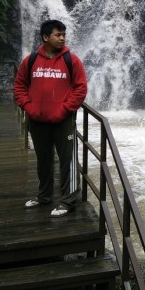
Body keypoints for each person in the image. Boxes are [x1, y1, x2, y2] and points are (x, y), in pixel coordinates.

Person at [14, 19, 88, 217]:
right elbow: (19, 86)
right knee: (43, 160)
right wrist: (28, 107)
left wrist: (64, 109)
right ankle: (44, 196)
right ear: (46, 37)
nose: (62, 38)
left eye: (64, 34)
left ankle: (68, 201)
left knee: (68, 161)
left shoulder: (71, 60)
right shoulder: (30, 61)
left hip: (63, 121)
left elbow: (80, 89)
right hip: (37, 121)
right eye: (58, 35)